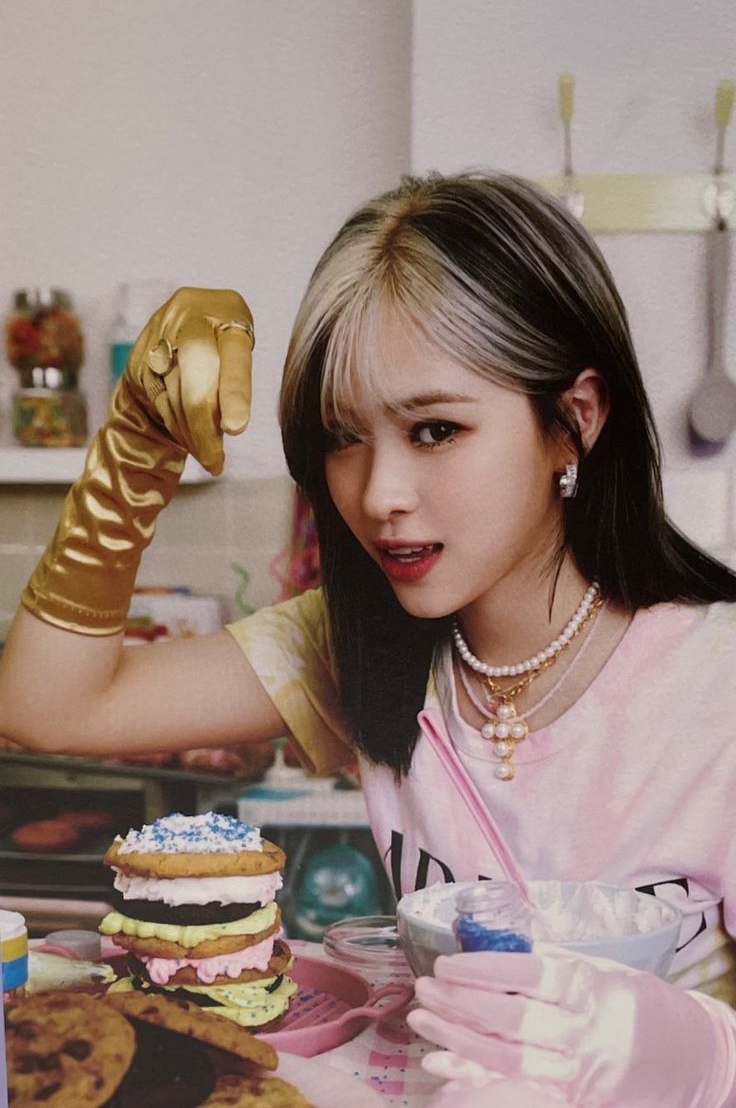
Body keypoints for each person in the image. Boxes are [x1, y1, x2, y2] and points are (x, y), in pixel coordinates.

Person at [2, 171, 736, 1106]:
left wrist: (699, 1057)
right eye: (343, 437)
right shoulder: (361, 645)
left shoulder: (719, 686)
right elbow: (45, 706)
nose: (379, 493)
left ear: (574, 424)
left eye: (435, 429)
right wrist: (135, 454)